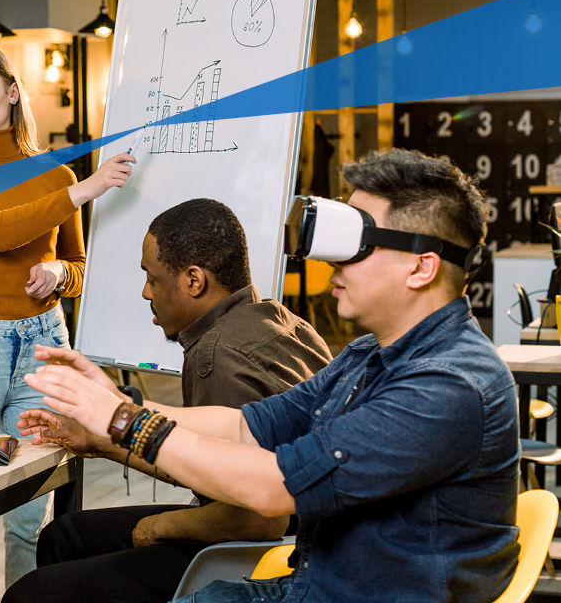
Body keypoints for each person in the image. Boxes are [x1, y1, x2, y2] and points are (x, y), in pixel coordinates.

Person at [26, 149, 520, 603]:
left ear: (421, 268)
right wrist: (120, 404)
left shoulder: (446, 385)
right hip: (318, 579)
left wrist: (124, 424)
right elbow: (245, 426)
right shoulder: (370, 355)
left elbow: (272, 487)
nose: (333, 264)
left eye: (359, 246)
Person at [4, 198, 330, 603]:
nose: (144, 292)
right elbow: (208, 459)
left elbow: (257, 520)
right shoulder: (283, 321)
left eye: (152, 278)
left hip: (261, 553)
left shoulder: (218, 355)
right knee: (65, 535)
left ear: (193, 281)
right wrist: (105, 440)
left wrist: (157, 527)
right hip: (303, 532)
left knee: (31, 594)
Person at [0, 43, 137, 602]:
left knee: (27, 520)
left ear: (13, 91)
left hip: (43, 347)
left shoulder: (52, 174)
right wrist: (86, 188)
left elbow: (82, 269)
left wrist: (59, 272)